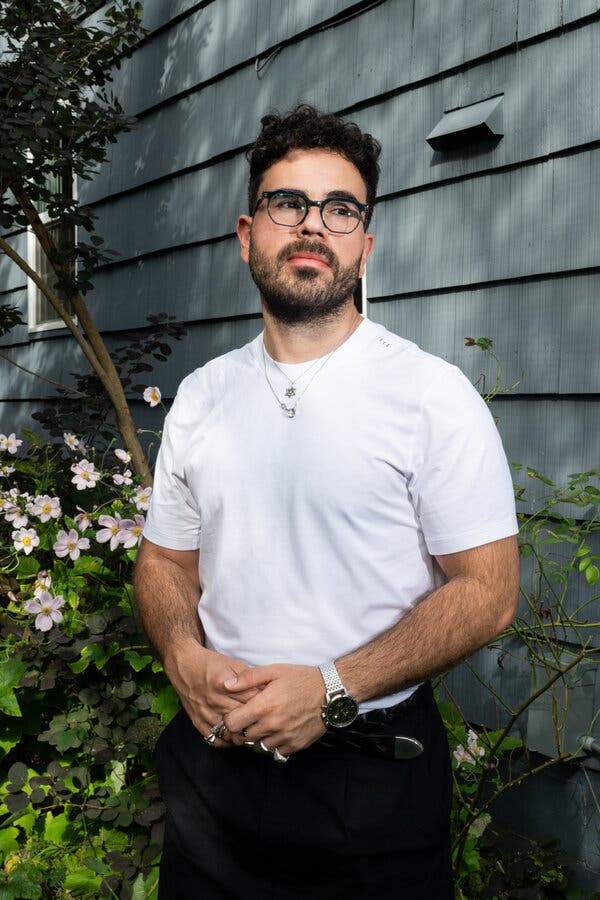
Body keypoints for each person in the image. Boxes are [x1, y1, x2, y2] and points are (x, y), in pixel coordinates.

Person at [134, 104, 520, 900]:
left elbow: (489, 592)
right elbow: (165, 562)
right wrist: (183, 657)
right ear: (247, 234)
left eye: (340, 209)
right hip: (214, 778)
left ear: (364, 245)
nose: (314, 226)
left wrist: (335, 686)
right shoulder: (203, 398)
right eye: (288, 204)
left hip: (370, 787)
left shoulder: (429, 396)